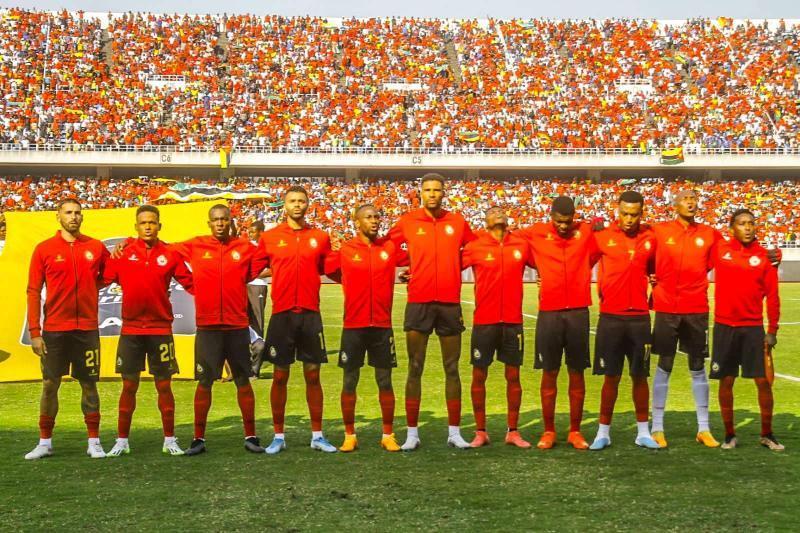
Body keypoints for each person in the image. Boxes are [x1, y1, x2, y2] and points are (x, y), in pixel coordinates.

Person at [169, 204, 267, 456]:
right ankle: (198, 438)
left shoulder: (244, 247)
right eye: (216, 220)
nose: (220, 223)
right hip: (208, 327)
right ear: (209, 223)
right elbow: (166, 251)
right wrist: (192, 283)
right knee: (205, 381)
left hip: (236, 326)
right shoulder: (196, 245)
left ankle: (251, 436)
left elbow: (263, 260)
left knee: (243, 380)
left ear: (230, 222)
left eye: (224, 219)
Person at [387, 173, 476, 450]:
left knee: (452, 367)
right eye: (427, 190)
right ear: (420, 193)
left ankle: (454, 432)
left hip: (449, 302)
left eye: (437, 190)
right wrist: (411, 263)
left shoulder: (457, 221)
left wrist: (453, 265)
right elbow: (390, 246)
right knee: (415, 367)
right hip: (419, 302)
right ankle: (412, 434)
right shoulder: (408, 221)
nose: (432, 194)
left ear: (444, 193)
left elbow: (473, 247)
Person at [103, 205, 194, 457]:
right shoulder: (123, 252)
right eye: (143, 223)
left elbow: (191, 283)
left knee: (164, 386)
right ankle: (122, 440)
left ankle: (170, 439)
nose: (148, 226)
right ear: (136, 226)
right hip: (131, 331)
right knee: (128, 386)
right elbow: (101, 279)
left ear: (159, 226)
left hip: (160, 330)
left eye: (152, 222)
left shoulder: (170, 254)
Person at [25, 199, 110, 460]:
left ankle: (94, 442)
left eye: (77, 213)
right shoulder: (44, 249)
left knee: (89, 384)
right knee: (50, 385)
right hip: (54, 330)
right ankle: (45, 442)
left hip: (87, 330)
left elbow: (110, 274)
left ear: (82, 217)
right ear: (58, 216)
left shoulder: (95, 247)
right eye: (69, 212)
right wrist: (35, 332)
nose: (74, 217)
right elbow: (33, 290)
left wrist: (90, 287)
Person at [259, 186, 337, 454]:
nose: (297, 205)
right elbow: (251, 266)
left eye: (301, 201)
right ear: (285, 205)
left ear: (307, 204)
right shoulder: (270, 237)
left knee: (313, 375)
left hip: (310, 313)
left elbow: (332, 268)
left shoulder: (320, 237)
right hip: (282, 315)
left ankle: (317, 435)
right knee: (280, 375)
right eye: (292, 201)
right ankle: (278, 436)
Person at [519, 196, 599, 450]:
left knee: (577, 372)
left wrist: (599, 222)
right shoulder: (535, 232)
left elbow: (605, 237)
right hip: (549, 313)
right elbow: (509, 241)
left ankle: (575, 431)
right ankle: (549, 430)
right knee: (549, 372)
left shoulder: (586, 231)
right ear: (550, 216)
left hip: (578, 312)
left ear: (574, 216)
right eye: (558, 221)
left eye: (568, 221)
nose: (563, 226)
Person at [324, 204, 405, 452]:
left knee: (385, 380)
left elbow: (418, 258)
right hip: (353, 326)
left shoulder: (389, 248)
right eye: (369, 217)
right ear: (357, 222)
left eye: (377, 216)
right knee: (350, 380)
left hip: (382, 325)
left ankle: (388, 434)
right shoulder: (346, 249)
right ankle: (349, 435)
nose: (374, 220)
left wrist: (412, 272)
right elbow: (326, 267)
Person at [650, 190, 722, 448]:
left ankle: (703, 428)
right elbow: (642, 254)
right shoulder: (659, 231)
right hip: (666, 307)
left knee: (697, 365)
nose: (691, 202)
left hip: (696, 307)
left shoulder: (709, 234)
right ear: (675, 204)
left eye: (694, 198)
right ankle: (657, 428)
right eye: (685, 198)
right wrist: (653, 274)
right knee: (665, 363)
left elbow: (719, 259)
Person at [587, 191, 660, 450]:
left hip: (640, 318)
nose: (629, 219)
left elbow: (657, 269)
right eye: (625, 213)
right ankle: (603, 433)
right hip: (611, 317)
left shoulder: (651, 238)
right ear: (617, 210)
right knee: (611, 377)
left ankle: (643, 432)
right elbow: (581, 261)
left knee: (640, 376)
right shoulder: (602, 236)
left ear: (642, 213)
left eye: (634, 214)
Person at [710, 209, 783, 451]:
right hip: (724, 327)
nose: (748, 227)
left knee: (763, 382)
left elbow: (773, 296)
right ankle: (729, 434)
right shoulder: (720, 249)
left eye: (751, 223)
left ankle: (767, 434)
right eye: (742, 223)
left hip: (752, 328)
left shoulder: (765, 257)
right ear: (732, 228)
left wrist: (772, 330)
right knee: (726, 381)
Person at [462, 207, 535, 449]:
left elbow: (546, 261)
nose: (498, 213)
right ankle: (480, 431)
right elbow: (448, 267)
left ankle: (513, 431)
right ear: (485, 221)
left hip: (513, 321)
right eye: (493, 211)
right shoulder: (475, 246)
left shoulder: (521, 245)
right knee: (479, 375)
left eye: (501, 211)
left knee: (513, 376)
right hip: (484, 322)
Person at [247, 220, 269, 375]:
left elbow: (273, 269)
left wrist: (253, 274)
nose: (250, 234)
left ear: (261, 232)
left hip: (258, 286)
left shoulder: (267, 248)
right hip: (246, 285)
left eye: (253, 231)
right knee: (245, 320)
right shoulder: (249, 246)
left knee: (257, 321)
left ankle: (257, 361)